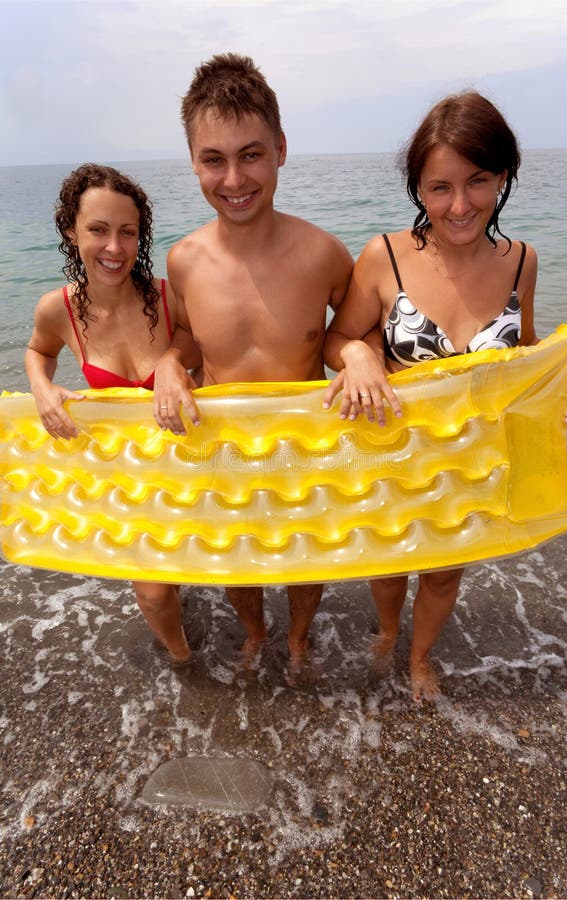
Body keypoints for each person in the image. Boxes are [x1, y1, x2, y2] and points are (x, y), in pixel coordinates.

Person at [322, 91, 567, 701]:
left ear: (503, 176)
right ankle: (389, 630)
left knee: (445, 575)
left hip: (468, 460)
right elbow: (336, 336)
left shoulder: (522, 261)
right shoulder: (384, 257)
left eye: (477, 181)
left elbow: (526, 359)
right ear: (418, 188)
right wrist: (361, 353)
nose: (459, 204)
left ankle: (421, 657)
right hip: (392, 452)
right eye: (439, 187)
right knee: (389, 568)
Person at [151, 53, 354, 664]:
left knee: (306, 554)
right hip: (223, 444)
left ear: (281, 149)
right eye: (214, 159)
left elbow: (356, 333)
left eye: (251, 154)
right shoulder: (184, 260)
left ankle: (295, 636)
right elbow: (189, 340)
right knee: (236, 555)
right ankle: (257, 632)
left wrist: (361, 359)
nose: (234, 179)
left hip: (304, 446)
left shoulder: (324, 253)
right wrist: (166, 364)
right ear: (193, 163)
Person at [25, 163, 197, 666]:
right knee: (153, 594)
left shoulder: (167, 298)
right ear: (70, 231)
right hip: (130, 476)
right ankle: (184, 660)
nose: (115, 248)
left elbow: (196, 343)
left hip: (187, 463)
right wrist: (41, 389)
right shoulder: (57, 310)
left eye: (128, 232)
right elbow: (38, 353)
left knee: (207, 570)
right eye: (98, 230)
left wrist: (171, 360)